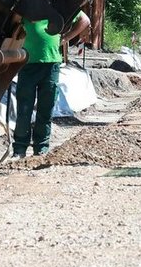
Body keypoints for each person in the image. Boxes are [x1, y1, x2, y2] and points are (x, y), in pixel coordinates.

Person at [12, 10, 91, 159]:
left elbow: (84, 20)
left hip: (51, 64)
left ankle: (41, 148)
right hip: (27, 64)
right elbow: (13, 20)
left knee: (46, 108)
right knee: (24, 108)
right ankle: (19, 149)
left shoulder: (59, 7)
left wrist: (66, 38)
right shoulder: (28, 6)